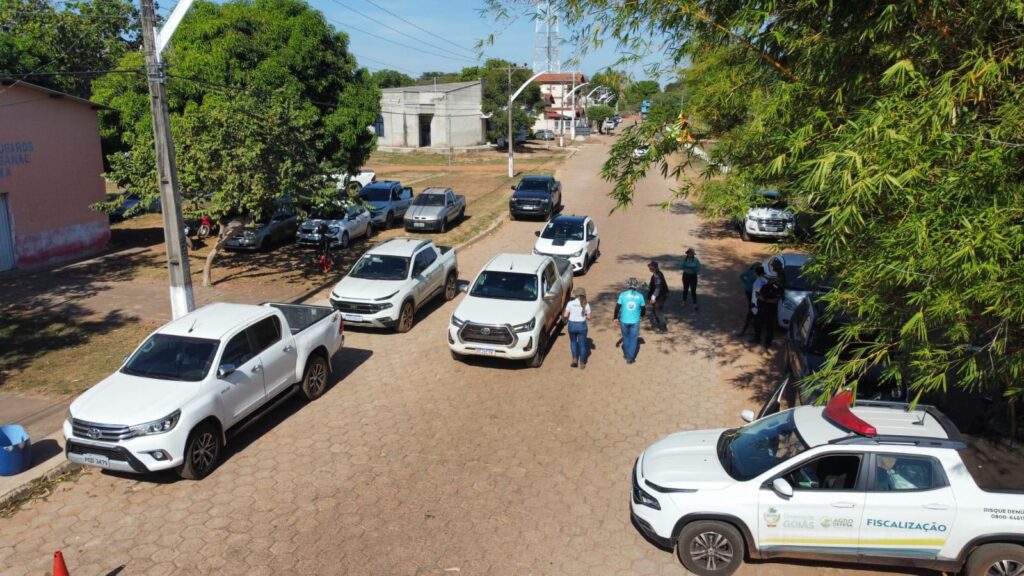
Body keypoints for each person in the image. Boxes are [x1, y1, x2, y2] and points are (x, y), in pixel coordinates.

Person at [614, 278, 646, 364]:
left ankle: (626, 354)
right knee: (633, 339)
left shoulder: (623, 295)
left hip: (623, 320)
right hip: (635, 321)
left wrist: (615, 318)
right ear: (636, 286)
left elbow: (617, 307)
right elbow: (643, 309)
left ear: (628, 285)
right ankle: (630, 358)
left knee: (626, 337)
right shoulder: (640, 296)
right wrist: (642, 316)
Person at [563, 287, 592, 369]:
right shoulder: (586, 304)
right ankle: (582, 362)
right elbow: (589, 317)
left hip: (572, 325)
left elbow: (565, 315)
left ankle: (574, 359)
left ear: (576, 295)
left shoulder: (570, 303)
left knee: (573, 342)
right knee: (582, 345)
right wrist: (584, 315)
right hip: (582, 326)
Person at [753, 274, 781, 350]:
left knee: (769, 327)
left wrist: (764, 300)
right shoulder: (765, 286)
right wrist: (758, 296)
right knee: (757, 324)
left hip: (770, 311)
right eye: (768, 279)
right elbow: (760, 294)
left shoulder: (776, 288)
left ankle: (768, 342)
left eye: (770, 279)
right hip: (761, 308)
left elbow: (775, 300)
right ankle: (757, 339)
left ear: (774, 280)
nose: (769, 280)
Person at [738, 261, 760, 335]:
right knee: (752, 306)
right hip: (752, 292)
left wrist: (746, 282)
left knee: (751, 306)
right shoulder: (757, 274)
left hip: (750, 291)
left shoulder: (750, 271)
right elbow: (741, 276)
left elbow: (741, 276)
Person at [647, 261, 668, 333]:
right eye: (649, 267)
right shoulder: (655, 274)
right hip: (658, 295)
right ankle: (658, 325)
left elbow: (658, 288)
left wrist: (653, 297)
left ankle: (663, 327)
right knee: (654, 310)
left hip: (660, 296)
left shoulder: (657, 276)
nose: (650, 268)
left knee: (657, 310)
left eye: (651, 267)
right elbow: (654, 287)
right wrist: (647, 287)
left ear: (655, 268)